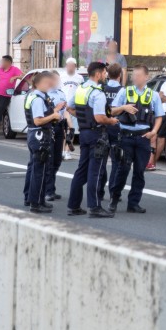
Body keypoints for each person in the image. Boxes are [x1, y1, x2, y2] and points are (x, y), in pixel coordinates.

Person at [67, 62, 119, 217]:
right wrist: (112, 121)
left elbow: (69, 108)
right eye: (104, 73)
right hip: (97, 135)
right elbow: (100, 117)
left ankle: (73, 206)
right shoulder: (98, 93)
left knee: (81, 170)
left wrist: (84, 119)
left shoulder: (81, 89)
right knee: (95, 172)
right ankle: (94, 207)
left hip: (84, 133)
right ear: (98, 74)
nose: (106, 75)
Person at [110, 65, 162, 214]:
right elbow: (111, 110)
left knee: (139, 172)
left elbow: (159, 116)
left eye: (139, 75)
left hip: (143, 138)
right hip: (126, 137)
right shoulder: (124, 91)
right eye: (134, 75)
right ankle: (114, 199)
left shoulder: (154, 95)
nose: (135, 77)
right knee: (122, 169)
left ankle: (133, 203)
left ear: (146, 77)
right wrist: (124, 108)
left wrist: (154, 132)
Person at [22, 71, 65, 213]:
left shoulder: (37, 96)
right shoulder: (38, 99)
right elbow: (38, 120)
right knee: (39, 171)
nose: (50, 85)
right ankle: (35, 203)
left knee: (38, 169)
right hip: (39, 136)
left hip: (37, 135)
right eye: (47, 82)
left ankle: (36, 199)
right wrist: (53, 115)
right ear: (39, 83)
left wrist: (54, 112)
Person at [95, 62, 124, 205]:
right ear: (120, 75)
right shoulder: (123, 90)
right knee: (116, 162)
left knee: (101, 161)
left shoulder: (102, 89)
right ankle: (114, 192)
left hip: (102, 127)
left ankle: (99, 192)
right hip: (116, 127)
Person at [43, 74, 69, 202]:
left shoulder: (61, 93)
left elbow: (65, 111)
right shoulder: (45, 95)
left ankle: (51, 188)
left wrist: (70, 127)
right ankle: (48, 190)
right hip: (50, 127)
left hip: (60, 127)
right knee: (49, 159)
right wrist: (56, 109)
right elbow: (45, 113)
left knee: (57, 160)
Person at [0, 55, 23, 142]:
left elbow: (23, 76)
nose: (1, 63)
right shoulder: (0, 70)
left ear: (8, 62)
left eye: (2, 62)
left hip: (5, 96)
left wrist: (15, 77)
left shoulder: (14, 69)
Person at [58, 58, 84, 160]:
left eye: (72, 65)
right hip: (63, 106)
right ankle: (62, 151)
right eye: (69, 65)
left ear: (75, 66)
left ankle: (68, 150)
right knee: (63, 130)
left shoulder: (79, 78)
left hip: (73, 107)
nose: (70, 67)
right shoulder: (61, 76)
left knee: (71, 129)